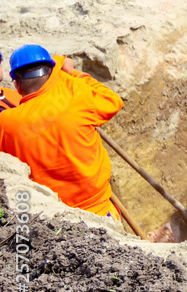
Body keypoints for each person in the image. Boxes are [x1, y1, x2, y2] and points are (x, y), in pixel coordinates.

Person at [0, 45, 124, 220]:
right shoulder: (76, 95)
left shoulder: (6, 123)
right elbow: (113, 100)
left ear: (17, 85)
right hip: (100, 211)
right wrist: (74, 73)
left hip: (54, 218)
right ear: (51, 74)